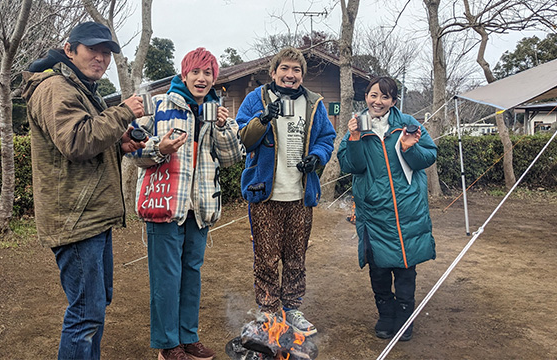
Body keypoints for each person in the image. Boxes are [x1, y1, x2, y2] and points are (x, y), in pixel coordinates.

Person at [22, 21, 145, 359]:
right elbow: (75, 142)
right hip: (75, 219)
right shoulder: (55, 87)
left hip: (90, 215)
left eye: (106, 52)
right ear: (69, 49)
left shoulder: (80, 88)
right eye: (93, 49)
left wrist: (117, 144)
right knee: (85, 313)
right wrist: (122, 113)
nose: (101, 58)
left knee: (94, 307)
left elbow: (83, 142)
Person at [128, 48, 242, 360]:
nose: (202, 78)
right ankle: (167, 344)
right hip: (165, 203)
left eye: (208, 73)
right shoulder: (161, 106)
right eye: (196, 72)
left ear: (214, 79)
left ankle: (188, 336)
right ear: (184, 75)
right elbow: (133, 150)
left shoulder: (217, 112)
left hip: (200, 206)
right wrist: (159, 148)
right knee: (166, 276)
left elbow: (233, 159)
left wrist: (223, 128)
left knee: (191, 273)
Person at [235, 47, 336, 337]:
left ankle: (292, 309)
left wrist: (317, 157)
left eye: (296, 70)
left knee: (296, 256)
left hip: (300, 194)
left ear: (301, 75)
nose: (290, 75)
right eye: (285, 69)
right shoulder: (256, 99)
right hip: (264, 192)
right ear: (274, 71)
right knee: (265, 257)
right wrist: (264, 118)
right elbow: (245, 139)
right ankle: (268, 310)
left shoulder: (314, 103)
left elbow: (326, 138)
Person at [337, 76, 437, 341]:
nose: (377, 101)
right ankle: (386, 314)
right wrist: (355, 138)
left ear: (394, 100)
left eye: (384, 96)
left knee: (406, 268)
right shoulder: (356, 126)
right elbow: (351, 166)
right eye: (373, 95)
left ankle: (405, 317)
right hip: (373, 210)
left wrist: (408, 149)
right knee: (378, 268)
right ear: (365, 98)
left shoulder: (408, 124)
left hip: (407, 208)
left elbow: (429, 155)